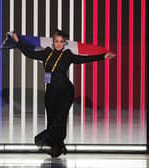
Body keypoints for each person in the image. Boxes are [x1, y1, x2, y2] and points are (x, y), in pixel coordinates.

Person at [10, 29, 116, 157]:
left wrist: (103, 56)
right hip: (51, 93)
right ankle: (56, 147)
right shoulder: (46, 53)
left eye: (61, 41)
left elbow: (83, 59)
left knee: (60, 119)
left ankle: (55, 144)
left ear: (64, 43)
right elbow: (29, 53)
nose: (59, 44)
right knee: (52, 120)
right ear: (53, 42)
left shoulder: (68, 54)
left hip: (66, 92)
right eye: (56, 41)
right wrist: (18, 41)